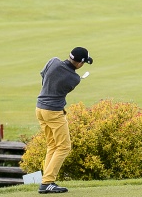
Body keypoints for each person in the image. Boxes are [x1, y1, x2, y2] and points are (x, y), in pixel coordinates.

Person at [36, 47, 93, 194]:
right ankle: (48, 182)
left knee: (52, 145)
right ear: (80, 63)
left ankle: (46, 181)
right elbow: (68, 83)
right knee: (64, 147)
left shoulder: (53, 61)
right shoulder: (74, 79)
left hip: (40, 108)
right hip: (53, 112)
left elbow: (44, 76)